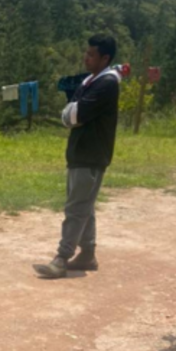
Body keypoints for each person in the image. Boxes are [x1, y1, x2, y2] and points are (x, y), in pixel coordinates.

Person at [34, 35, 121, 279]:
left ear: (105, 58)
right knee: (85, 205)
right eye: (86, 52)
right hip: (80, 153)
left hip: (91, 154)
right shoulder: (90, 81)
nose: (86, 57)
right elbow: (70, 112)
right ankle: (87, 254)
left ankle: (62, 258)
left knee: (77, 207)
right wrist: (71, 112)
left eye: (91, 54)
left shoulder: (106, 84)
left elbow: (74, 114)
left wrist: (71, 113)